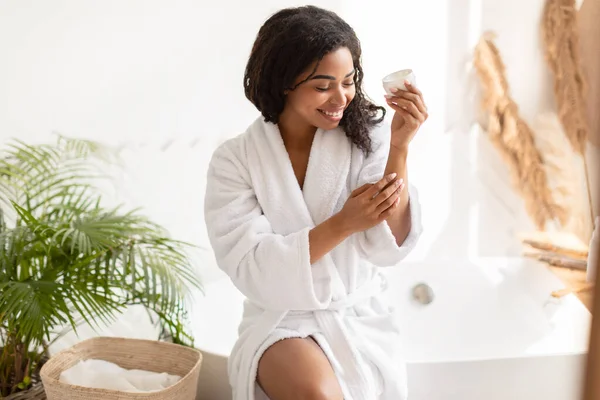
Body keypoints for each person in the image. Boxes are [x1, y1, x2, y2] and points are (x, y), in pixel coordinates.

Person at [204, 5, 426, 400]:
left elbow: (385, 247)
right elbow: (253, 268)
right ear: (283, 82)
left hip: (357, 316)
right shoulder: (235, 160)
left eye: (349, 80)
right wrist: (342, 223)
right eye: (323, 86)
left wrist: (401, 148)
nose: (341, 97)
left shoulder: (367, 138)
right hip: (281, 318)